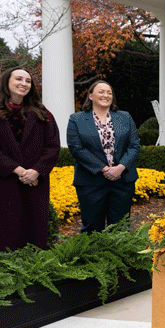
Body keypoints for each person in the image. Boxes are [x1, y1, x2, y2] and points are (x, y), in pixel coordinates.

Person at [0, 67, 60, 264]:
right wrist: (17, 170)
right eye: (19, 79)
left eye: (28, 81)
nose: (24, 84)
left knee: (32, 235)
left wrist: (36, 171)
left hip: (33, 186)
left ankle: (32, 281)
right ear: (6, 82)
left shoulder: (43, 115)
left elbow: (52, 147)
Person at [66, 80, 140, 233]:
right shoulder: (76, 119)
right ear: (91, 96)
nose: (106, 95)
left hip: (122, 181)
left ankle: (120, 257)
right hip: (90, 182)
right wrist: (104, 169)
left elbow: (134, 145)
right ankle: (92, 257)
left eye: (109, 92)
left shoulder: (125, 117)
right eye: (101, 92)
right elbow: (76, 149)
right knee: (92, 228)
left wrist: (120, 167)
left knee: (120, 228)